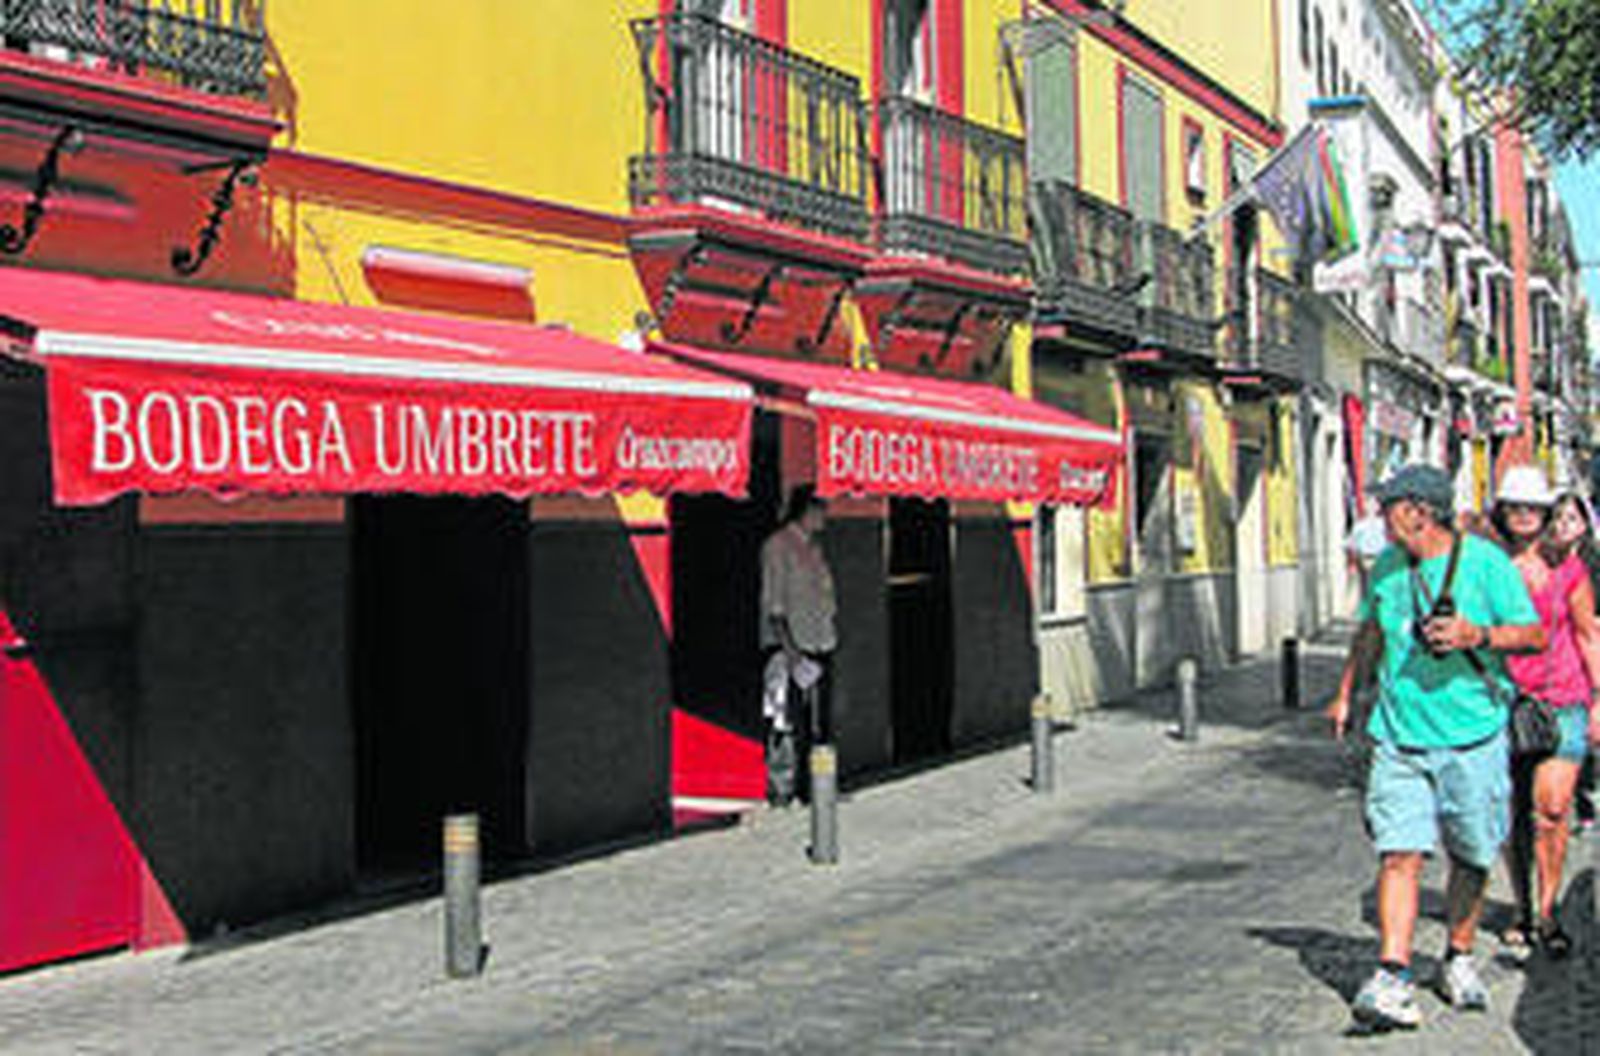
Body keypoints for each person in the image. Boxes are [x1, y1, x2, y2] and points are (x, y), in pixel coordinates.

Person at [1326, 464, 1543, 1031]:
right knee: (1400, 853)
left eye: (1388, 505)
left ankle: (1459, 954)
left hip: (1473, 737)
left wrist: (1479, 636)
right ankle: (1393, 975)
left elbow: (1532, 633)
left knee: (1471, 855)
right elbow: (1371, 630)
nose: (1380, 515)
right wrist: (1348, 692)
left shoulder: (1486, 564)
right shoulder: (1390, 567)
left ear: (1418, 510)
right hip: (1399, 736)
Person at [1493, 477, 1600, 957]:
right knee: (1513, 812)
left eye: (1532, 506)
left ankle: (1549, 911)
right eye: (1514, 506)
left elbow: (1587, 633)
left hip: (1564, 700)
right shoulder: (1488, 567)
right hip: (1505, 703)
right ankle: (1521, 905)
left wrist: (1599, 699)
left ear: (1545, 512)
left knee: (1553, 809)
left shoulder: (1570, 569)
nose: (1524, 514)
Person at [760, 485, 837, 807]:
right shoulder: (779, 546)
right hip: (794, 648)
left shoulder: (814, 549)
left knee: (819, 723)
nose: (826, 517)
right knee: (787, 721)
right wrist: (791, 654)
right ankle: (783, 789)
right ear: (807, 510)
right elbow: (774, 605)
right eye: (822, 510)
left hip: (822, 643)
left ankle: (814, 787)